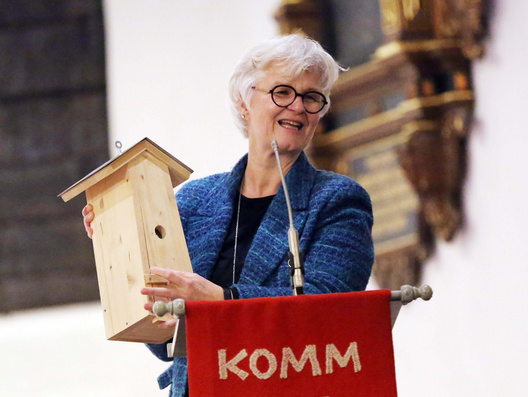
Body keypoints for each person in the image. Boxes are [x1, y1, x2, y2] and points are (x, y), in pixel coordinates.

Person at [82, 34, 374, 397]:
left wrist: (221, 303)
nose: (298, 107)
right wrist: (117, 237)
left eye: (312, 97)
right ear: (244, 103)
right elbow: (164, 344)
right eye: (282, 92)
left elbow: (332, 311)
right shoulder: (192, 202)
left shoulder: (337, 201)